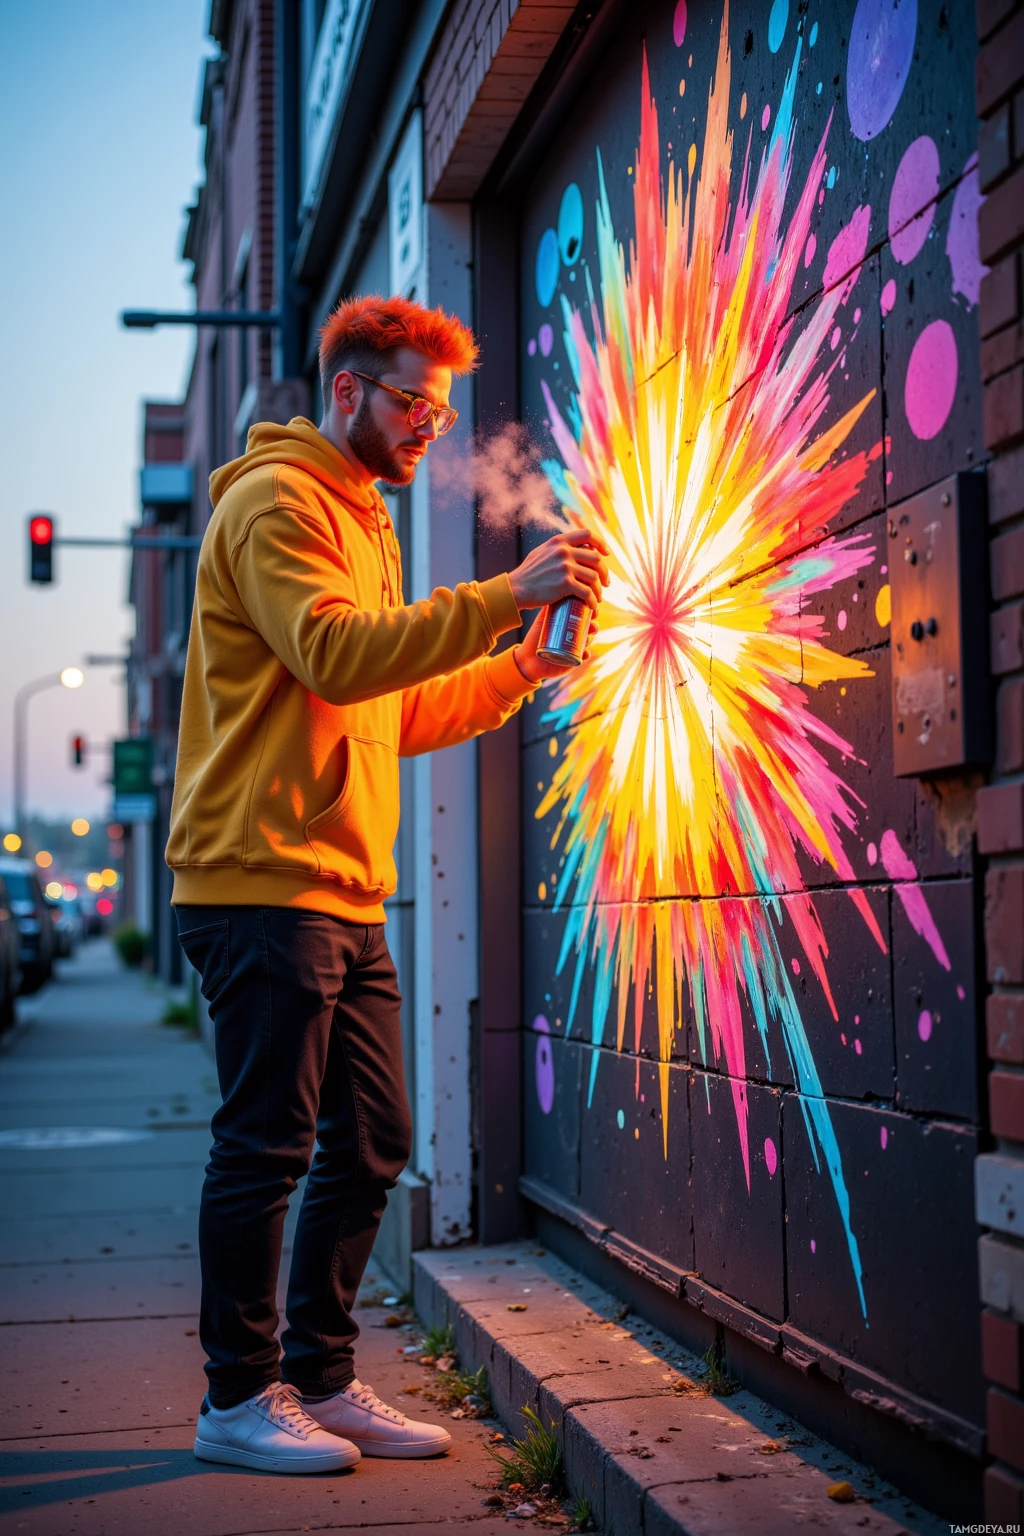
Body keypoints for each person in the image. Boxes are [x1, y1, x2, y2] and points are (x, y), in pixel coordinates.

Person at [169, 293, 609, 1474]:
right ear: (351, 390)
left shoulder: (364, 521)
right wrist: (503, 596)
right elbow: (333, 651)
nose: (431, 425)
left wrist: (521, 662)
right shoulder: (276, 506)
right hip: (259, 879)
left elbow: (390, 702)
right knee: (264, 1145)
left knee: (371, 1138)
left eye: (443, 408)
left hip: (338, 888)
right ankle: (235, 1398)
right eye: (414, 400)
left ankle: (317, 1377)